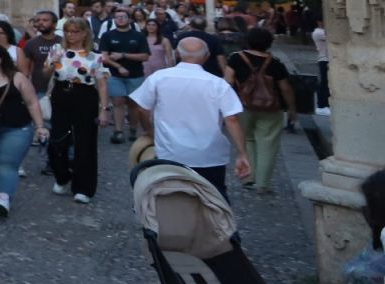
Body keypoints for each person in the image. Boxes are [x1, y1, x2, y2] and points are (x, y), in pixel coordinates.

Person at [128, 37, 252, 199]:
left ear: (177, 53)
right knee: (214, 197)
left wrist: (150, 131)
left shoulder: (159, 78)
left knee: (168, 197)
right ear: (206, 56)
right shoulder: (217, 84)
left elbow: (142, 108)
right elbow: (232, 119)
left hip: (170, 152)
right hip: (209, 155)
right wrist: (242, 153)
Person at [44, 17, 110, 204]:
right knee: (57, 139)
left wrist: (104, 109)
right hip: (61, 93)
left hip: (85, 95)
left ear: (84, 33)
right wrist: (52, 63)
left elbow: (102, 84)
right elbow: (45, 74)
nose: (71, 35)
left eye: (75, 31)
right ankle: (62, 175)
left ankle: (83, 188)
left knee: (85, 141)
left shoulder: (94, 56)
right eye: (67, 31)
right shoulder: (57, 50)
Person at [223, 27, 296, 194]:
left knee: (247, 140)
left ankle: (249, 177)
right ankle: (263, 184)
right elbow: (285, 88)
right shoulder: (276, 63)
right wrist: (292, 109)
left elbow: (227, 82)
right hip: (271, 108)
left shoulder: (236, 58)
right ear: (268, 43)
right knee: (268, 144)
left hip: (243, 106)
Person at [0, 43, 44, 217]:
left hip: (17, 128)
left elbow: (32, 102)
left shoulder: (17, 77)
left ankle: (4, 199)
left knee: (6, 162)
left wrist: (40, 126)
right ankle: (1, 194)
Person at [98, 7, 150, 145]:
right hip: (114, 75)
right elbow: (104, 57)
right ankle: (118, 130)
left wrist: (123, 55)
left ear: (130, 19)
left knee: (133, 104)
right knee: (117, 102)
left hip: (136, 75)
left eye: (123, 17)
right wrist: (119, 66)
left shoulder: (138, 36)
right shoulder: (107, 36)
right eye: (117, 17)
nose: (119, 19)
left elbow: (145, 56)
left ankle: (133, 129)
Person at [313, 21, 330, 113]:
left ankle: (325, 104)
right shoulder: (318, 32)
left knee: (326, 83)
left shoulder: (322, 32)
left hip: (326, 59)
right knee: (324, 83)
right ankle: (321, 105)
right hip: (324, 59)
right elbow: (332, 36)